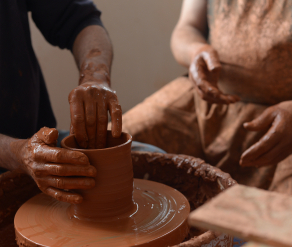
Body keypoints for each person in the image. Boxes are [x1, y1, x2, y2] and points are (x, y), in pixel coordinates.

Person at [121, 0, 292, 194]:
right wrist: (195, 51)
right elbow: (187, 27)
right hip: (205, 100)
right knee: (107, 148)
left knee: (283, 214)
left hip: (284, 119)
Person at [0, 0, 123, 204]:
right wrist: (18, 154)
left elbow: (80, 19)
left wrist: (95, 77)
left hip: (38, 142)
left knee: (154, 162)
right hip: (7, 156)